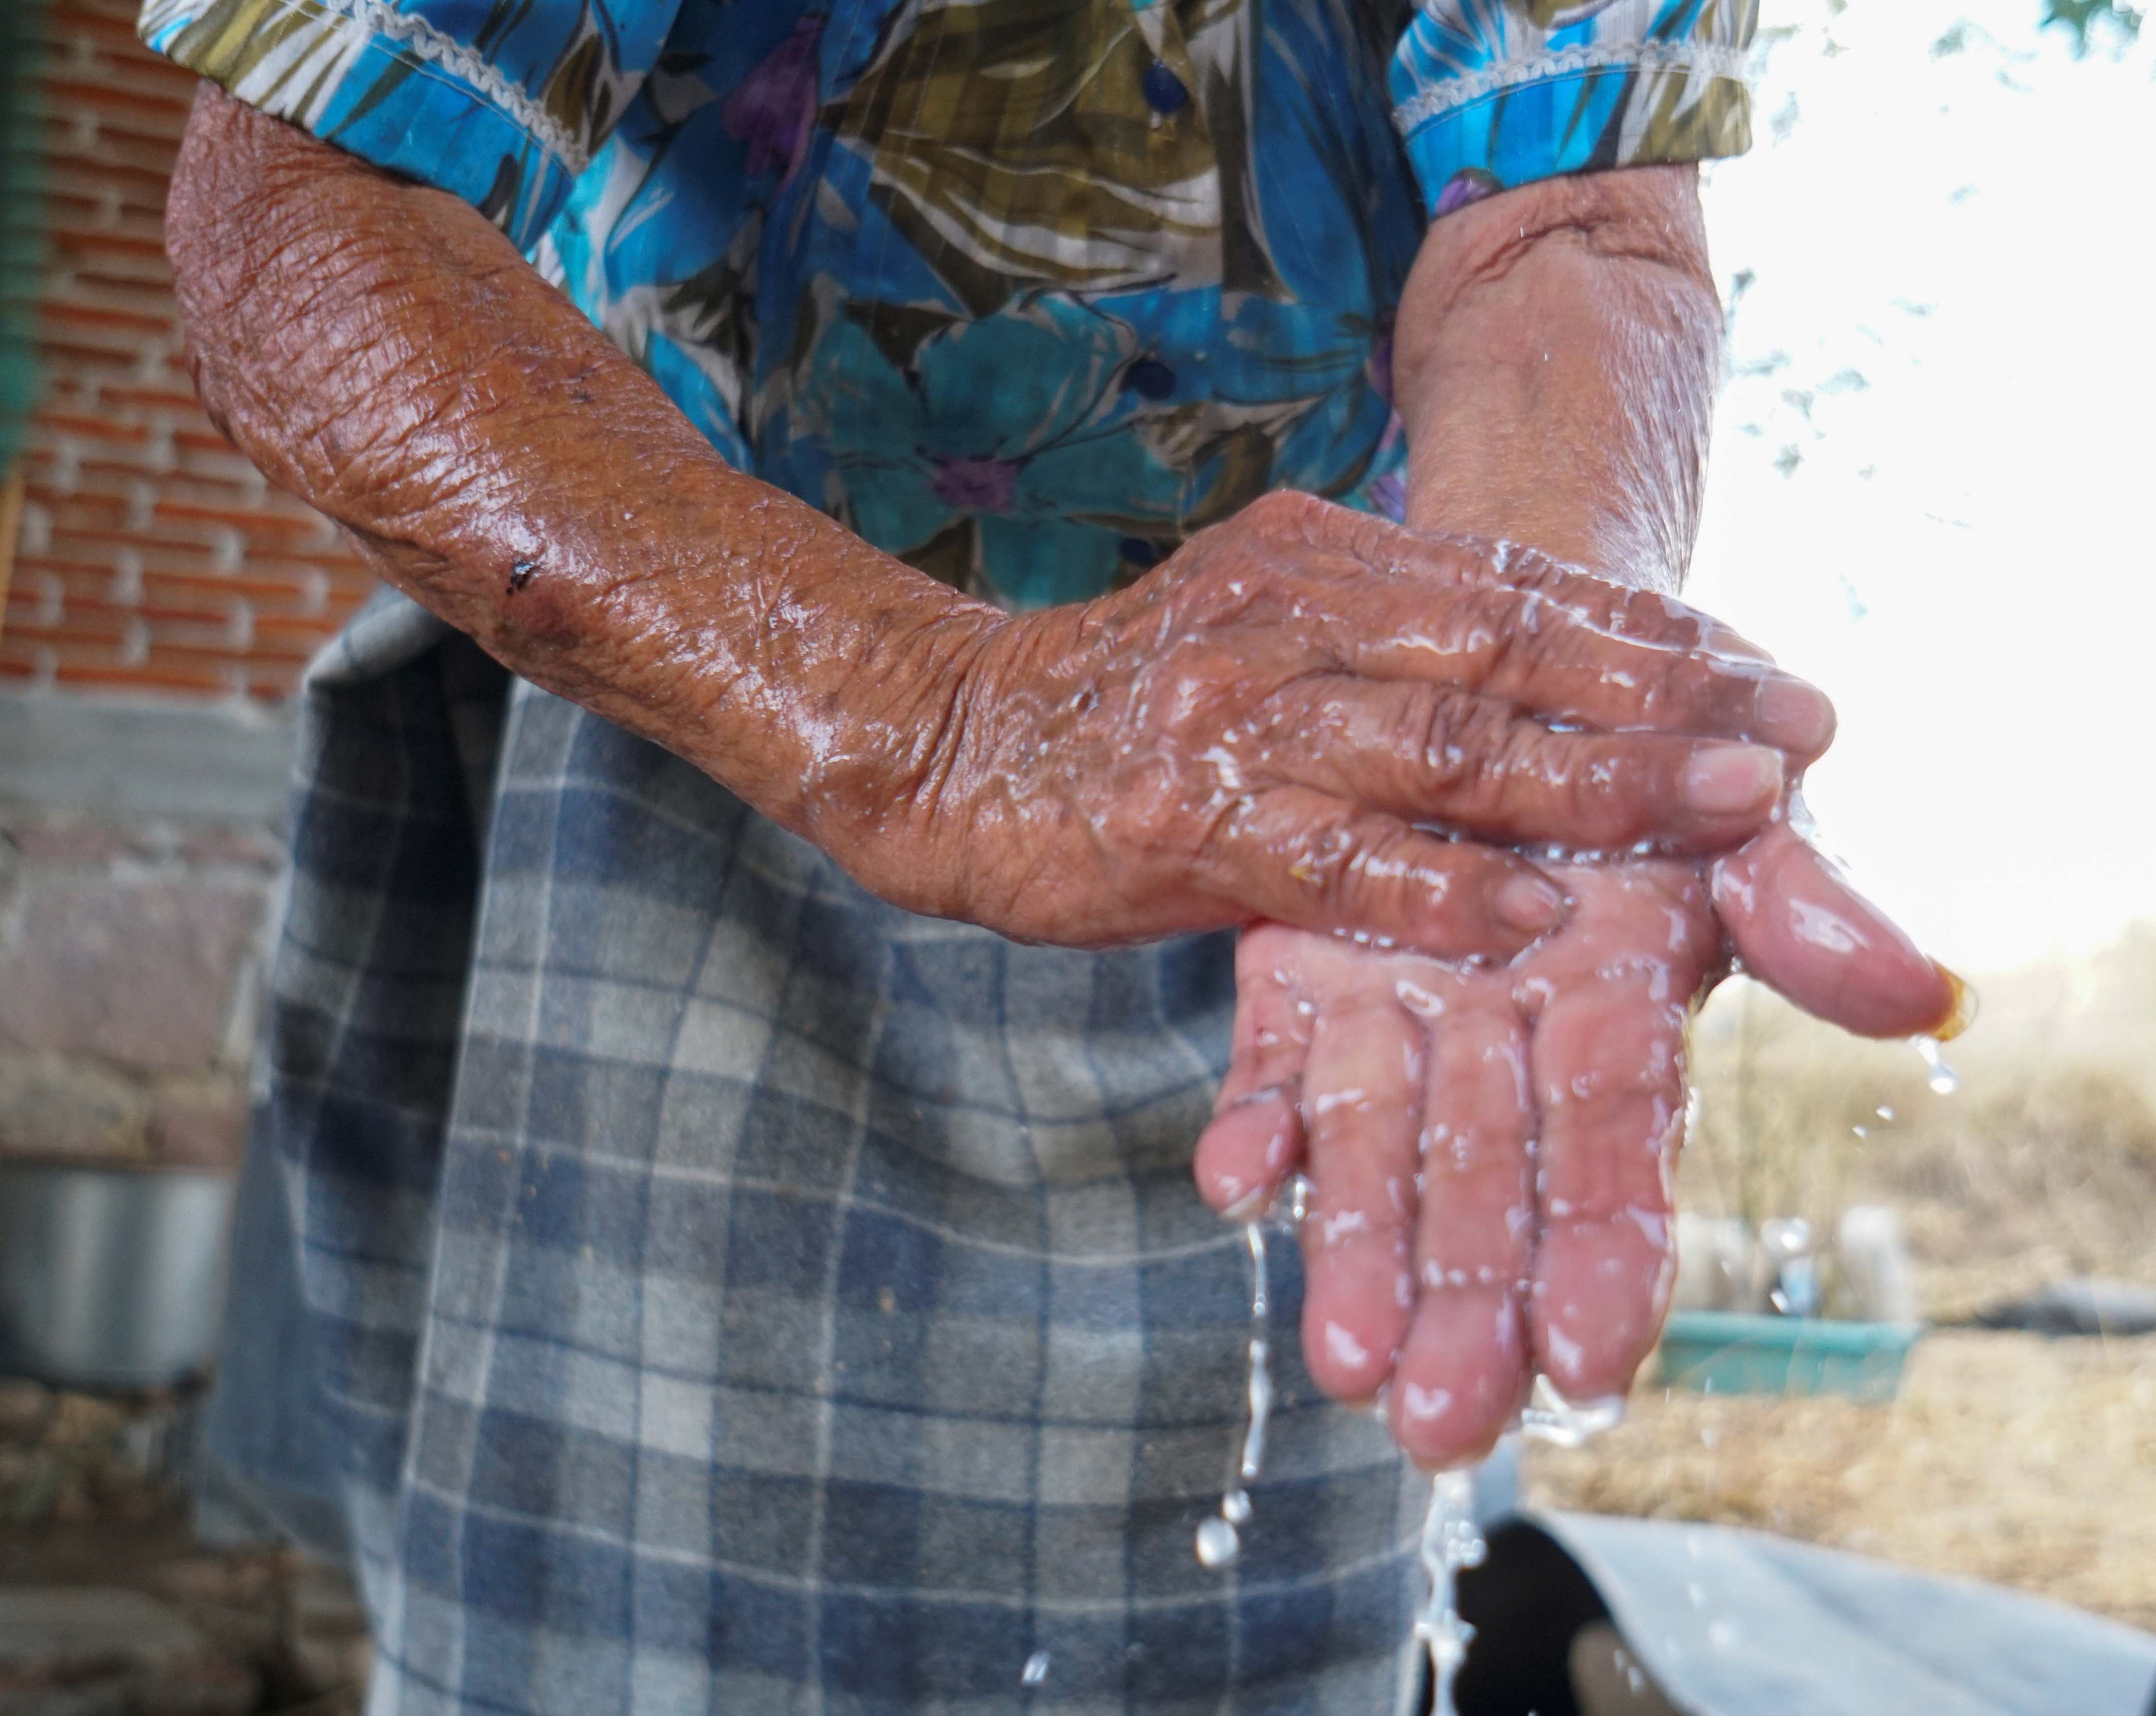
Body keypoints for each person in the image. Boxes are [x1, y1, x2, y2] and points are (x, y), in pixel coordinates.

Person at [146, 0, 1962, 1707]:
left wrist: (1538, 706)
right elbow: (301, 204)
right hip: (717, 685)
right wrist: (939, 728)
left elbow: (1562, 226)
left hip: (1309, 815)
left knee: (1275, 1589)